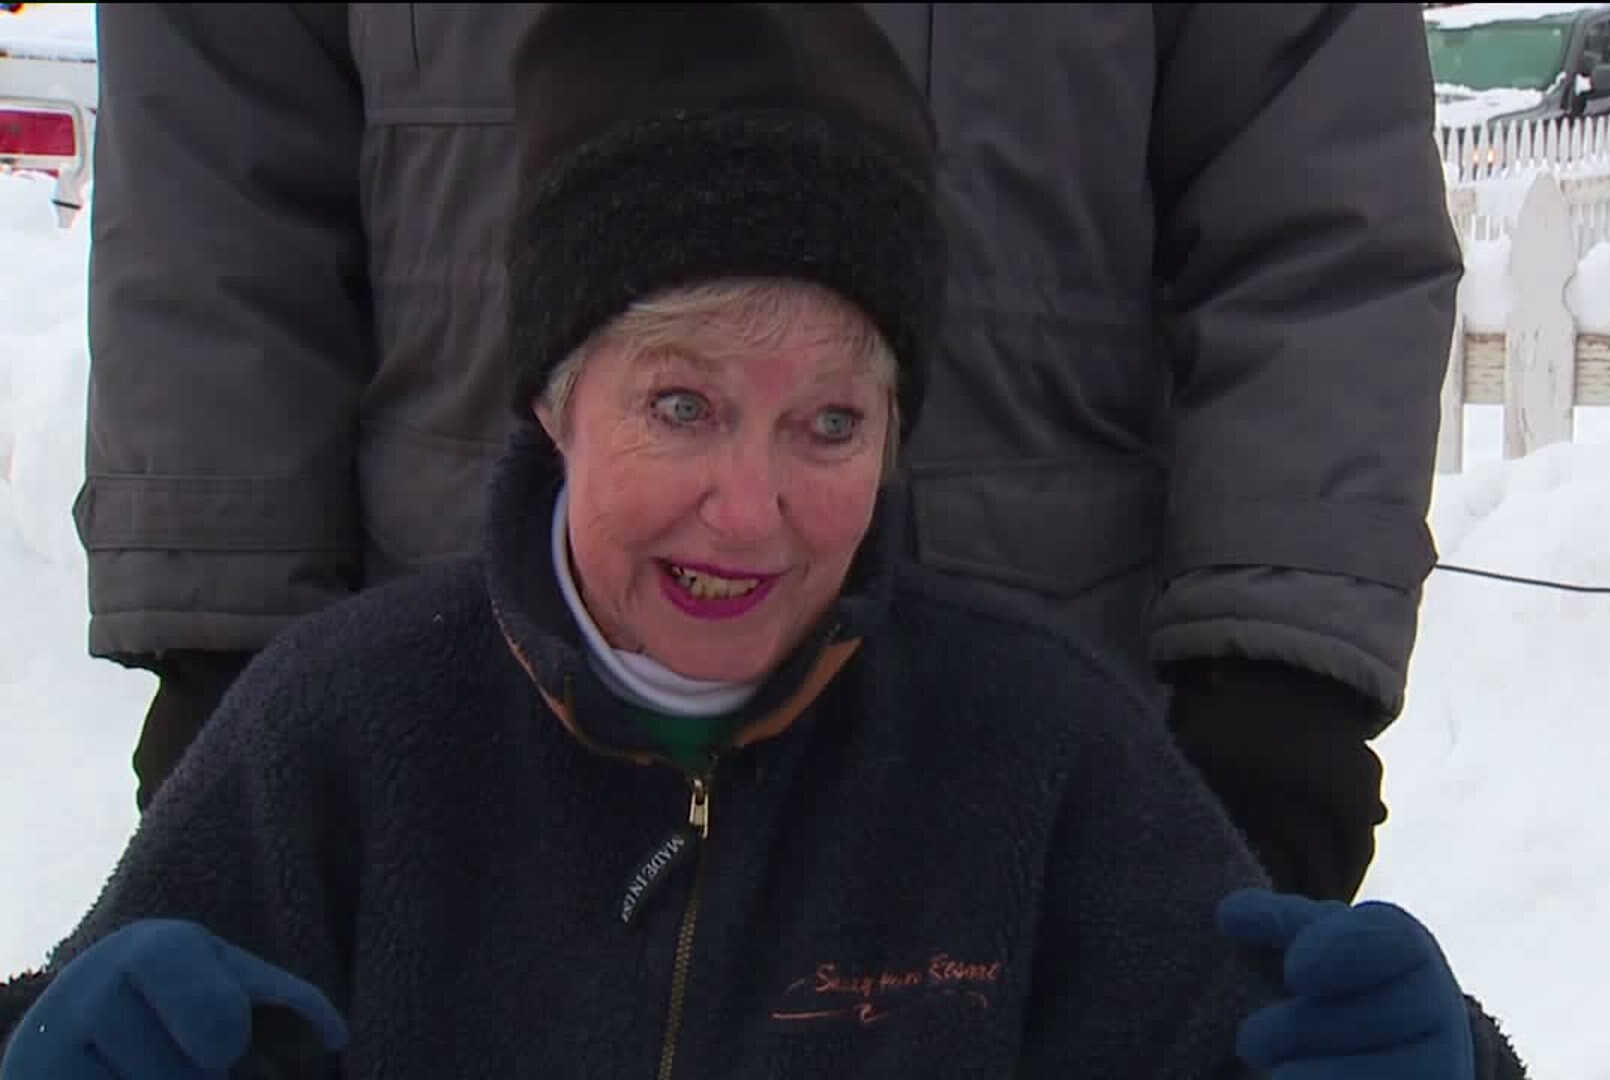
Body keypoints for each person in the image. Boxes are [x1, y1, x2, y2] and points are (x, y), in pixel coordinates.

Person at [3, 6, 1524, 1078]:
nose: (747, 507)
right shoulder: (337, 749)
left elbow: (1312, 192)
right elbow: (218, 171)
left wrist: (1415, 1033)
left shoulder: (1057, 769)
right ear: (554, 399)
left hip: (1055, 643)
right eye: (681, 406)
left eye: (828, 425)